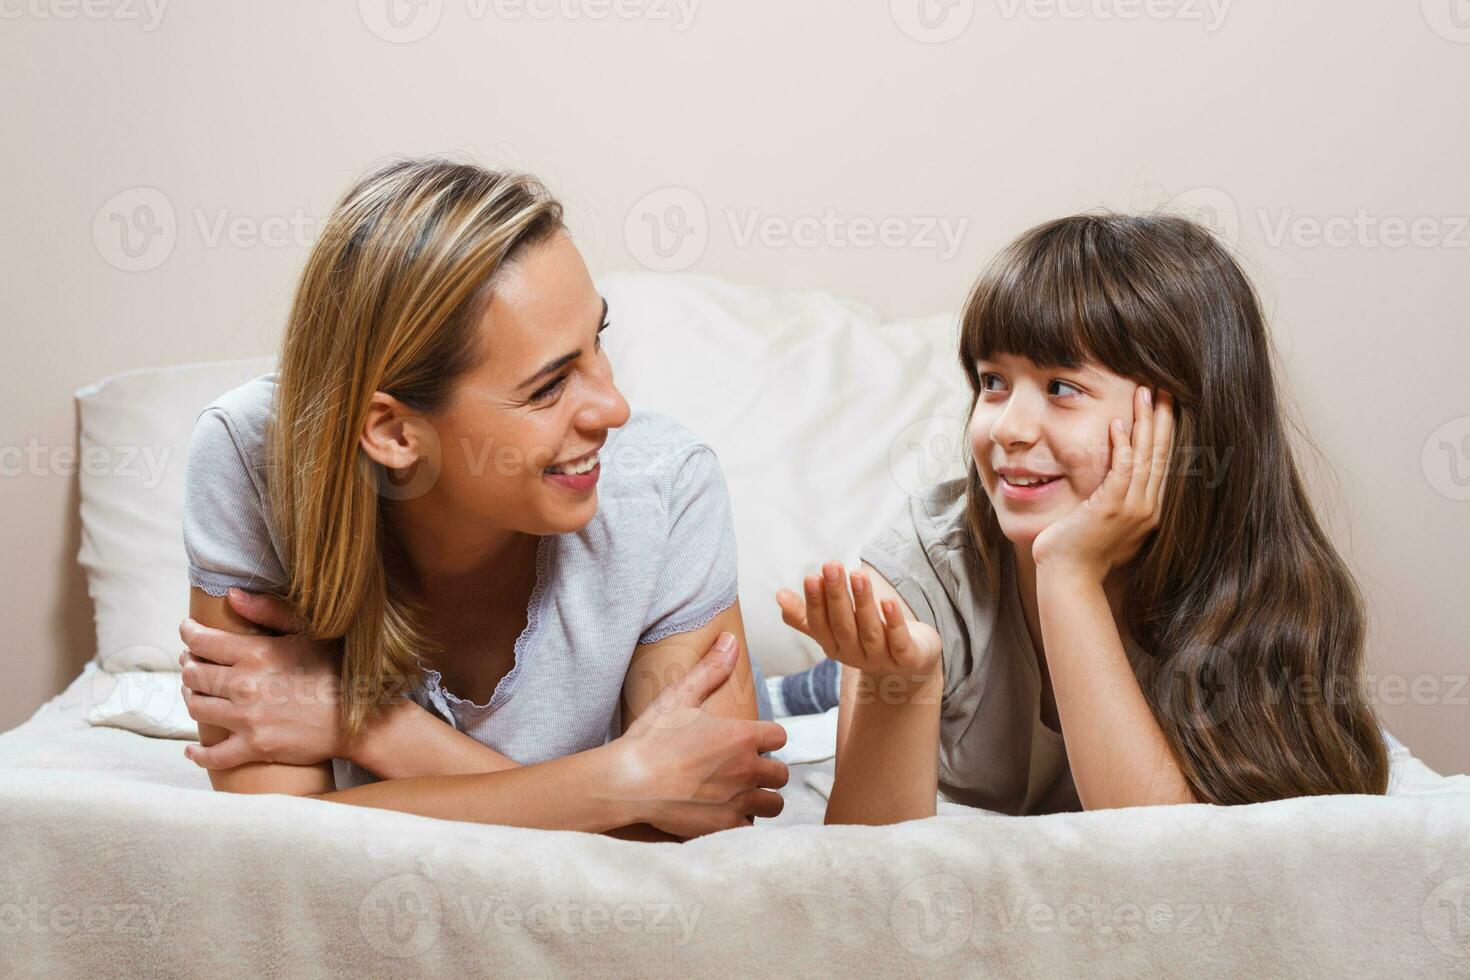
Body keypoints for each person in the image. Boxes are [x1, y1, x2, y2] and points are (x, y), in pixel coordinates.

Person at [177, 157, 792, 840]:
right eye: (549, 386)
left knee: (783, 700)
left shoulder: (667, 484)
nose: (613, 409)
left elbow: (706, 841)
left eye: (599, 341)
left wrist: (369, 723)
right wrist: (624, 785)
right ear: (393, 432)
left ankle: (804, 691)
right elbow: (269, 838)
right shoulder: (253, 454)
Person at [776, 212, 1391, 821]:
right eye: (993, 381)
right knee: (795, 701)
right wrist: (899, 685)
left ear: (1181, 421)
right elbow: (864, 873)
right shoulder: (925, 568)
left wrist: (1067, 575)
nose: (1008, 428)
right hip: (872, 680)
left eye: (1061, 388)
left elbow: (1165, 857)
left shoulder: (1272, 592)